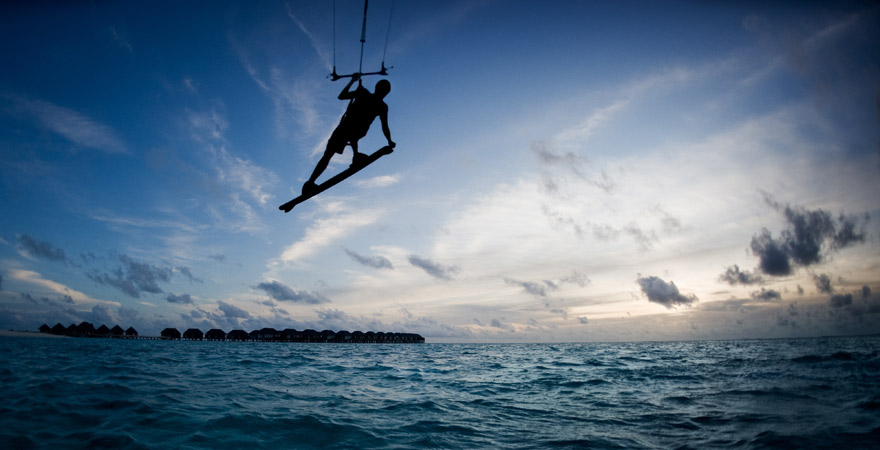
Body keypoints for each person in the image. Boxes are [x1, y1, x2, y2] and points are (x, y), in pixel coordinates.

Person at [303, 74, 395, 194]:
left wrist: (389, 140)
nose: (383, 93)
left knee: (330, 153)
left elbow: (385, 126)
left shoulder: (379, 104)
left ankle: (355, 157)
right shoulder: (366, 95)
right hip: (346, 129)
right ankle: (310, 183)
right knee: (328, 154)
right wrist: (353, 81)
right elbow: (342, 96)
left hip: (350, 130)